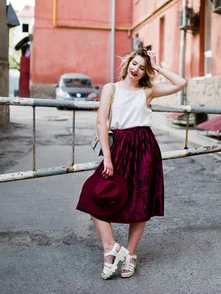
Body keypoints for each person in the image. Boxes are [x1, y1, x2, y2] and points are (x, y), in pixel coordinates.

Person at [76, 48, 187, 279]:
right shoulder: (111, 88)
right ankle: (111, 248)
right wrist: (107, 156)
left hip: (145, 147)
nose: (136, 70)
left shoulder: (148, 90)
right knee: (92, 194)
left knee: (140, 202)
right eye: (134, 64)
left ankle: (131, 255)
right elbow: (100, 123)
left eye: (142, 67)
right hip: (119, 146)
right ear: (127, 64)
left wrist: (157, 68)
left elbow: (181, 83)